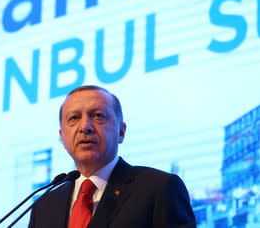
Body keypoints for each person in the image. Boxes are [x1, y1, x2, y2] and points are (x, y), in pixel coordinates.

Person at [28, 85, 196, 228]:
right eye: (74, 118)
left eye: (98, 116)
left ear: (121, 131)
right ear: (62, 137)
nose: (85, 126)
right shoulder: (44, 205)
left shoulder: (159, 188)